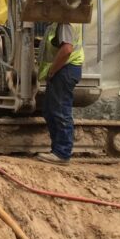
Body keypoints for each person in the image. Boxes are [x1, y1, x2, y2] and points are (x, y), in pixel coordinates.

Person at [37, 22, 84, 164]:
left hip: (65, 69)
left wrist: (52, 70)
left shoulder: (65, 22)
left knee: (60, 111)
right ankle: (57, 150)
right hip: (63, 69)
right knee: (50, 110)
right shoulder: (59, 22)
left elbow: (67, 49)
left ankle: (62, 153)